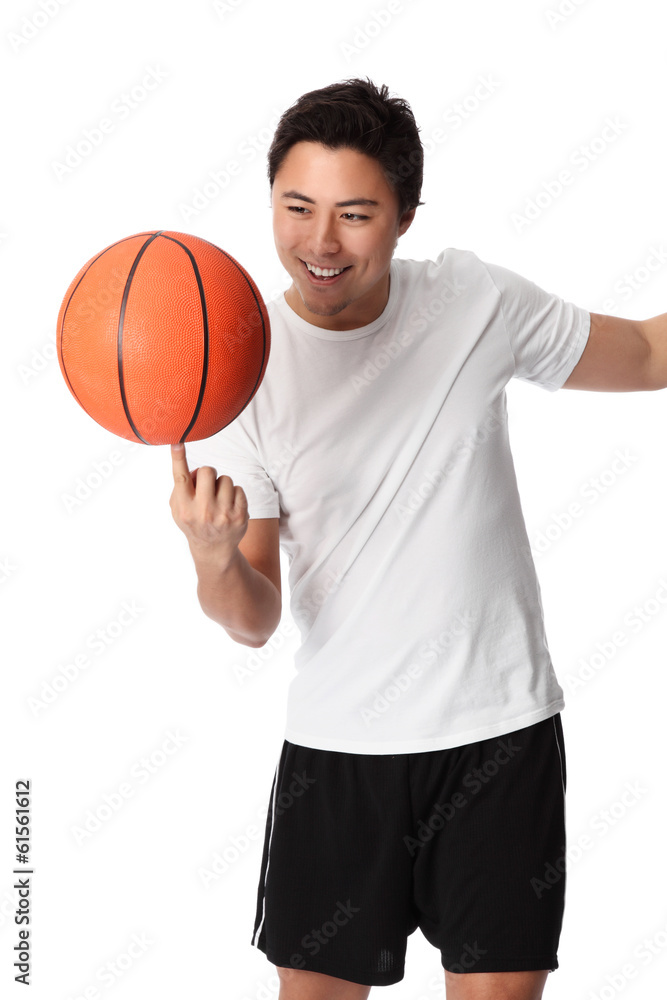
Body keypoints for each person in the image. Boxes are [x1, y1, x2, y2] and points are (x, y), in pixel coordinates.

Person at [169, 78, 665, 1000]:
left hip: (498, 735)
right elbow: (250, 619)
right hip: (338, 755)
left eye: (355, 215)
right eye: (296, 208)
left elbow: (643, 354)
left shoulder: (474, 301)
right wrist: (211, 554)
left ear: (403, 218)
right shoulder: (237, 372)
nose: (320, 243)